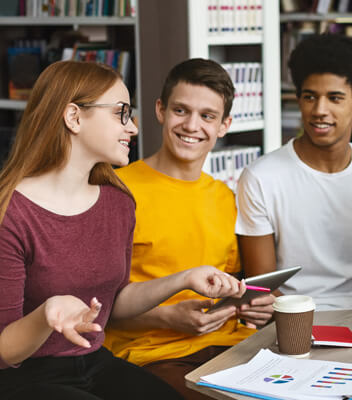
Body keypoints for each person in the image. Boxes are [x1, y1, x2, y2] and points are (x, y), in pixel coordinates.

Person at [0, 60, 247, 400]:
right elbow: (4, 351)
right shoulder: (11, 211)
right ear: (74, 117)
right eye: (121, 113)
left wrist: (185, 278)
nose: (132, 128)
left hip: (94, 362)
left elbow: (117, 299)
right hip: (25, 376)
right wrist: (47, 314)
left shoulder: (117, 202)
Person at [104, 58, 275, 400]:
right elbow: (99, 307)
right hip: (152, 356)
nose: (192, 125)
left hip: (234, 349)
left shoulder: (225, 197)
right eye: (181, 110)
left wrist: (253, 305)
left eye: (207, 116)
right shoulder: (116, 190)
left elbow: (230, 285)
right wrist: (168, 318)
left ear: (224, 125)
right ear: (160, 110)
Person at [235, 34, 352, 311]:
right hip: (287, 321)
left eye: (335, 98)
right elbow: (263, 287)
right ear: (298, 99)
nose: (320, 110)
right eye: (310, 97)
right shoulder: (260, 178)